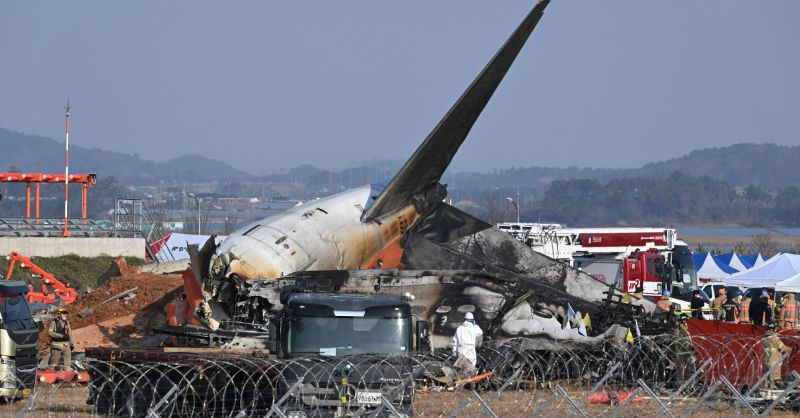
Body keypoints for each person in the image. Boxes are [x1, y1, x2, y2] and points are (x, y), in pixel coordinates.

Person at [761, 322, 791, 389]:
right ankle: (773, 390)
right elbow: (783, 348)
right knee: (775, 378)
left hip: (767, 361)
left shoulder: (764, 339)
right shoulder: (775, 338)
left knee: (768, 377)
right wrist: (789, 349)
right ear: (775, 328)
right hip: (775, 362)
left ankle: (766, 389)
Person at [48, 307, 73, 371]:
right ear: (59, 315)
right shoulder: (54, 322)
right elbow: (49, 332)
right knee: (52, 364)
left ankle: (67, 376)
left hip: (66, 346)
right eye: (63, 314)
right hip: (56, 346)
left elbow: (70, 334)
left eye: (65, 314)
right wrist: (59, 335)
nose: (65, 315)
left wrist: (71, 344)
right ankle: (49, 377)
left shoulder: (67, 322)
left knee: (67, 365)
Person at [671, 314, 694, 382]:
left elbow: (689, 337)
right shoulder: (678, 330)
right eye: (684, 322)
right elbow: (675, 338)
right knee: (681, 368)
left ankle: (686, 381)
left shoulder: (687, 329)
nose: (685, 323)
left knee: (688, 368)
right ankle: (680, 383)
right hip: (680, 352)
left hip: (688, 351)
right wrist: (681, 327)